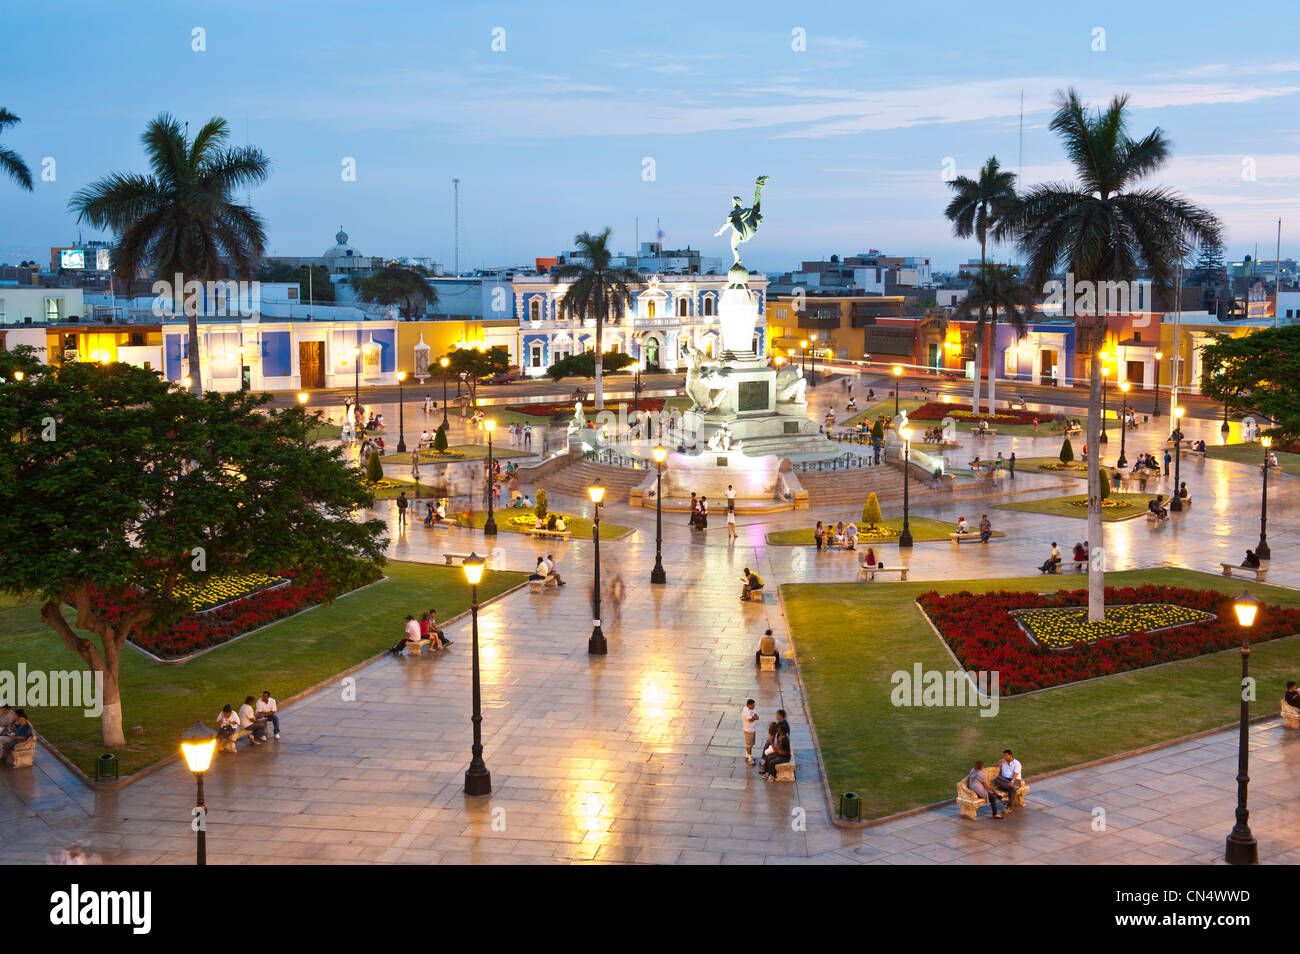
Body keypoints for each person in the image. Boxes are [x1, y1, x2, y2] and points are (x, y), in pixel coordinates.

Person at [742, 699, 761, 765]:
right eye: (753, 705)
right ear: (748, 705)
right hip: (748, 730)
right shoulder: (745, 710)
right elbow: (750, 719)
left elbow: (757, 717)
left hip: (752, 729)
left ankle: (747, 755)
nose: (754, 706)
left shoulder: (753, 709)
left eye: (754, 705)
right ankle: (749, 758)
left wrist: (754, 717)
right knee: (749, 744)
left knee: (751, 743)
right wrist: (754, 717)